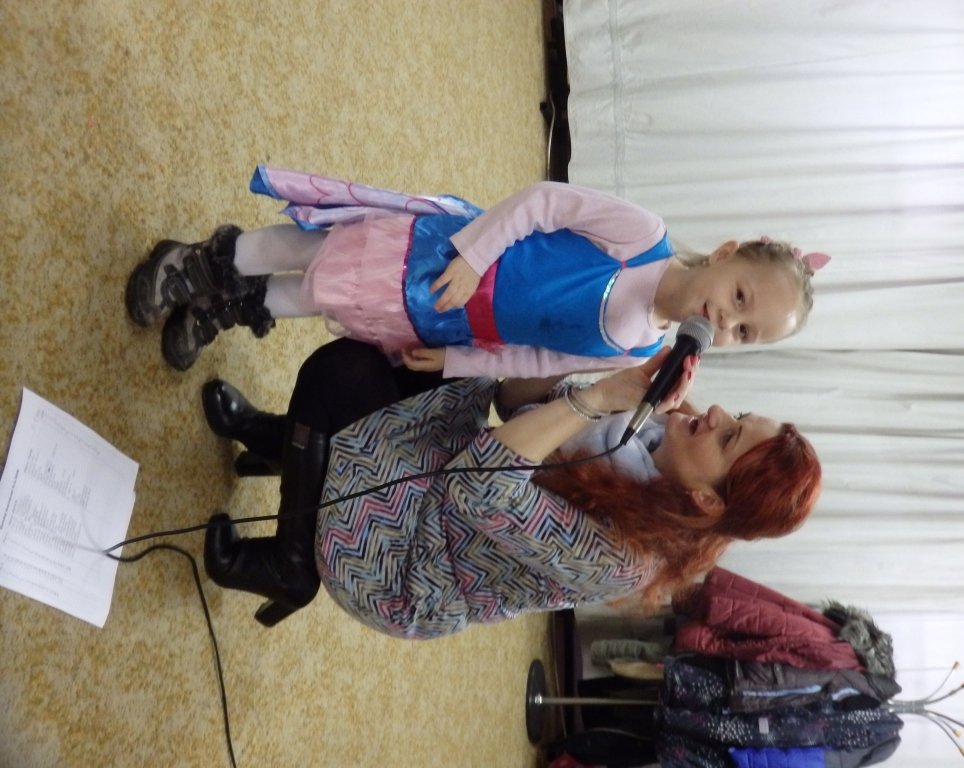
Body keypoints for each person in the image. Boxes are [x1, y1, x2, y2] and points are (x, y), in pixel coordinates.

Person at [201, 337, 821, 637]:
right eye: (739, 417)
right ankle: (281, 442)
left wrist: (594, 400)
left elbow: (475, 489)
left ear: (708, 500)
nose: (716, 414)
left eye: (727, 438)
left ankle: (289, 565)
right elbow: (511, 398)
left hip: (407, 562)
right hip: (447, 480)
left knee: (342, 376)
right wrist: (597, 360)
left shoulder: (628, 558)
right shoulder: (653, 437)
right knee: (434, 357)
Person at [125, 166, 829, 372]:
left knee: (330, 297)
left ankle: (229, 306)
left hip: (450, 320)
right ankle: (206, 263)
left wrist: (459, 362)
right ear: (727, 252)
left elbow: (540, 358)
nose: (726, 319)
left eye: (743, 331)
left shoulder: (641, 349)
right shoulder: (643, 237)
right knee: (326, 252)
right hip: (449, 256)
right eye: (741, 296)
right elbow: (544, 201)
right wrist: (472, 254)